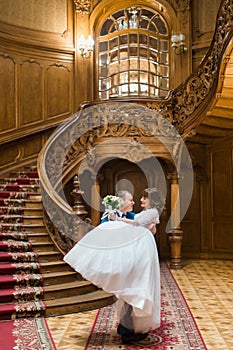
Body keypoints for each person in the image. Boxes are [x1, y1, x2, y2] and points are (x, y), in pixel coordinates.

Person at [64, 188, 163, 346]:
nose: (139, 200)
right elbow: (150, 229)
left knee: (136, 285)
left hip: (142, 249)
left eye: (144, 197)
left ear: (151, 199)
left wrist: (118, 219)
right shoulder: (147, 212)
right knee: (132, 285)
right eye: (137, 198)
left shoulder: (151, 212)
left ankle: (131, 327)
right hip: (140, 248)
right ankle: (127, 326)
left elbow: (138, 224)